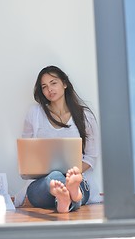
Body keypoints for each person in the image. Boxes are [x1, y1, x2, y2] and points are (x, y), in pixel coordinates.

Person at [15, 65, 101, 212]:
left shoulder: (85, 116)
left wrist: (70, 174)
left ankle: (65, 200)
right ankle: (71, 197)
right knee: (53, 178)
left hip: (78, 179)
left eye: (53, 83)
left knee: (64, 180)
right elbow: (25, 153)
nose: (49, 89)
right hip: (43, 184)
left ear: (65, 84)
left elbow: (91, 157)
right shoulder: (34, 114)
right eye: (44, 86)